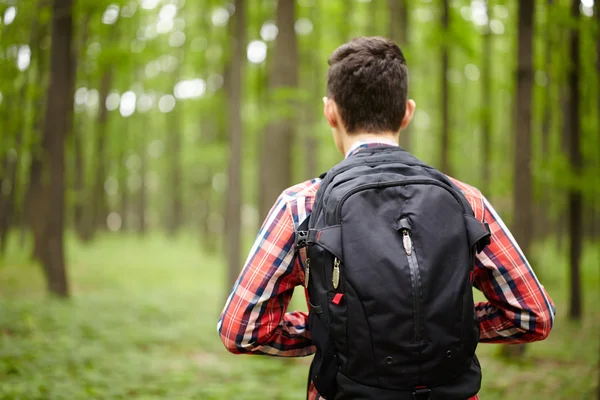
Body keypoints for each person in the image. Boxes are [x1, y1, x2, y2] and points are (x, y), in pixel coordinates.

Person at [218, 37, 555, 400]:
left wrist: (337, 332)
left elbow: (241, 330)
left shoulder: (301, 205)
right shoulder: (466, 200)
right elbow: (533, 315)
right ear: (407, 112)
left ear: (330, 111)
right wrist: (444, 327)